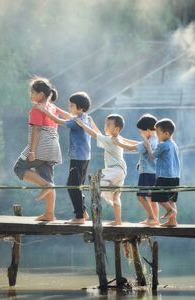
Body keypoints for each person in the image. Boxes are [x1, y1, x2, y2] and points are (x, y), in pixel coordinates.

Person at [37, 91, 95, 224]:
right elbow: (68, 115)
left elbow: (59, 120)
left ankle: (79, 216)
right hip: (84, 157)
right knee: (77, 185)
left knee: (72, 185)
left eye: (71, 105)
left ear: (79, 108)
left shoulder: (77, 121)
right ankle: (83, 212)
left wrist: (44, 110)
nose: (69, 107)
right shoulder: (84, 117)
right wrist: (56, 108)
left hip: (78, 158)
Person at [13, 77, 62, 221]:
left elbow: (37, 130)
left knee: (19, 168)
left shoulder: (37, 109)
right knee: (48, 178)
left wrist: (32, 151)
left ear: (40, 95)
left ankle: (45, 186)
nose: (31, 95)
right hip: (53, 148)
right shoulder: (52, 107)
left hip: (41, 146)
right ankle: (49, 213)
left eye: (32, 92)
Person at [75, 114, 127, 226]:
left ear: (117, 129)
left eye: (108, 125)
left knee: (95, 183)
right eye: (105, 124)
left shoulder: (111, 140)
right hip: (121, 171)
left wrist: (83, 125)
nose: (105, 126)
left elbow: (95, 135)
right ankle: (118, 221)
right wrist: (92, 123)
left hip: (114, 170)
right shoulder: (116, 138)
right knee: (116, 196)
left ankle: (89, 214)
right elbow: (99, 134)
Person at [112, 114, 159, 226]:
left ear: (147, 130)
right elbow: (138, 145)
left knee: (140, 196)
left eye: (141, 132)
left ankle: (151, 218)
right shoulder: (155, 139)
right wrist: (123, 139)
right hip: (154, 173)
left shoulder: (149, 142)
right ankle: (155, 219)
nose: (140, 134)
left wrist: (118, 143)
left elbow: (132, 148)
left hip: (147, 173)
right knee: (152, 197)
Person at [148, 118, 180, 227]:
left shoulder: (163, 145)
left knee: (156, 194)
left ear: (166, 133)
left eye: (157, 133)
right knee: (171, 198)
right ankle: (172, 221)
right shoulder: (173, 144)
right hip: (175, 176)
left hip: (164, 175)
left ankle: (170, 210)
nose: (156, 135)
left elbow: (152, 156)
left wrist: (148, 147)